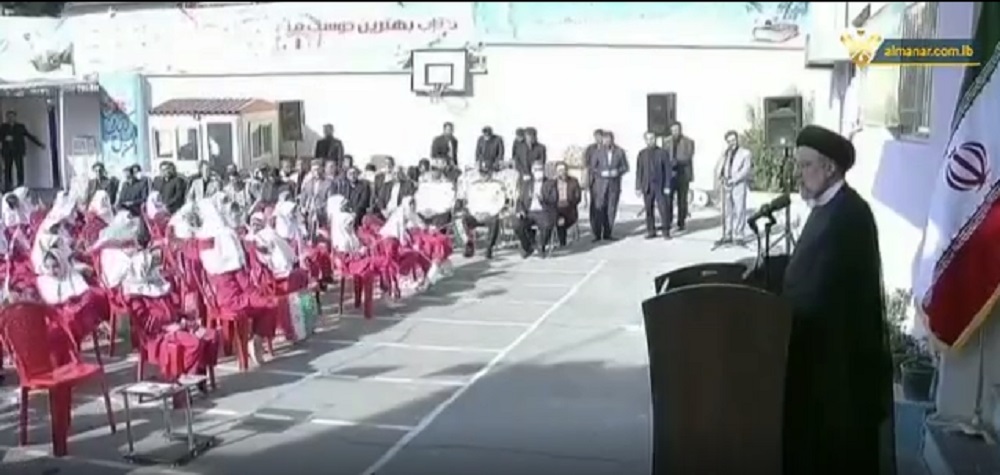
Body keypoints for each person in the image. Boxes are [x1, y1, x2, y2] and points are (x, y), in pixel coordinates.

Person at [780, 125, 894, 475]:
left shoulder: (851, 215)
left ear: (829, 168)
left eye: (805, 165)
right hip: (817, 355)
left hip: (840, 365)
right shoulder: (826, 207)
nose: (799, 174)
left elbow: (826, 288)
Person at [458, 161, 506, 259]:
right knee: (460, 220)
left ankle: (489, 248)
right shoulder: (473, 185)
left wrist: (489, 213)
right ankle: (468, 244)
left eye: (487, 173)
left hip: (490, 214)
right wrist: (475, 213)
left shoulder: (497, 185)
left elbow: (501, 202)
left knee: (496, 220)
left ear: (491, 173)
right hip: (476, 214)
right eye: (482, 173)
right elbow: (470, 202)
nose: (484, 176)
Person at [588, 131, 629, 241]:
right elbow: (592, 168)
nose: (607, 142)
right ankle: (597, 234)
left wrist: (617, 172)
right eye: (605, 140)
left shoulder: (619, 152)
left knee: (611, 209)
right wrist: (601, 173)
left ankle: (608, 233)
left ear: (612, 139)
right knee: (599, 209)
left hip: (614, 185)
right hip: (600, 185)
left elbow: (625, 167)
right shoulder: (597, 152)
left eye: (609, 139)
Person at [635, 132, 673, 240]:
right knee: (648, 209)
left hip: (660, 186)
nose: (650, 141)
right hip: (647, 185)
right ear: (645, 140)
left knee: (663, 209)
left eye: (652, 138)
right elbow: (639, 171)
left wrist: (667, 186)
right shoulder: (642, 154)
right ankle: (651, 231)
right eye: (648, 139)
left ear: (655, 139)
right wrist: (638, 187)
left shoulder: (662, 153)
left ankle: (666, 231)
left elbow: (668, 170)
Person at [717, 130, 752, 246]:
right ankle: (728, 234)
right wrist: (721, 177)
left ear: (737, 139)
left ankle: (739, 235)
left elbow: (745, 170)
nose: (732, 143)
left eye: (734, 140)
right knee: (727, 211)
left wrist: (734, 179)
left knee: (739, 210)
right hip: (726, 185)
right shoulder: (726, 153)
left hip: (738, 185)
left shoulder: (745, 153)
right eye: (729, 141)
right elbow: (720, 167)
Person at [514, 161, 556, 258]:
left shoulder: (550, 183)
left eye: (541, 169)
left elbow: (554, 199)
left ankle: (541, 246)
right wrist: (520, 210)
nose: (539, 172)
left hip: (543, 212)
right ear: (532, 171)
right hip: (529, 212)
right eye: (536, 170)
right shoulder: (527, 184)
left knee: (547, 225)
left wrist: (543, 198)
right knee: (517, 224)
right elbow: (520, 200)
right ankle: (528, 246)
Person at [0, 111, 44, 191]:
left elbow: (29, 136)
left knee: (20, 169)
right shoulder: (3, 127)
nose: (10, 118)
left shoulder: (20, 127)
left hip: (18, 151)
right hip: (7, 152)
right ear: (7, 118)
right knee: (7, 170)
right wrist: (5, 138)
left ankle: (20, 186)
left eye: (12, 116)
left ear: (15, 117)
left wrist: (39, 144)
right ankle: (8, 187)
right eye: (9, 117)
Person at [667, 121, 696, 232]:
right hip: (671, 175)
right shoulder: (667, 142)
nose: (675, 132)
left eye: (677, 130)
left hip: (683, 174)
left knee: (682, 200)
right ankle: (668, 221)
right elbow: (664, 156)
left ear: (680, 130)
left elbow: (688, 156)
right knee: (668, 200)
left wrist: (676, 162)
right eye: (673, 130)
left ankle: (681, 222)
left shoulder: (689, 142)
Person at [413, 159, 456, 230]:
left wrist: (435, 211)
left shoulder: (447, 185)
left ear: (440, 171)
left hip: (439, 217)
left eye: (435, 170)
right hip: (424, 216)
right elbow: (418, 199)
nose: (433, 172)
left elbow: (449, 204)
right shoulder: (425, 184)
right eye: (432, 169)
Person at [549, 161, 582, 248]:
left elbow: (578, 197)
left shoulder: (573, 182)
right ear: (556, 172)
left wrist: (570, 202)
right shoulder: (552, 183)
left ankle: (562, 242)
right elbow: (548, 197)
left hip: (569, 208)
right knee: (559, 218)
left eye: (564, 170)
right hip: (556, 208)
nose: (562, 172)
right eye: (560, 170)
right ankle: (562, 241)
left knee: (562, 218)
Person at [299, 158, 333, 232]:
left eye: (318, 169)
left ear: (322, 169)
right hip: (309, 212)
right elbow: (303, 197)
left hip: (322, 212)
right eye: (314, 170)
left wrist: (320, 209)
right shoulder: (308, 183)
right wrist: (303, 207)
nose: (316, 172)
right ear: (311, 171)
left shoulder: (328, 183)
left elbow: (330, 200)